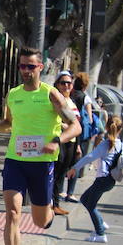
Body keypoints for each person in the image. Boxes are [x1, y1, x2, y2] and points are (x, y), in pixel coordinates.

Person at [0, 47, 81, 245]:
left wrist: (56, 141)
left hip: (42, 165)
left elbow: (76, 127)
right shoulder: (13, 95)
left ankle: (48, 211)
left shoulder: (51, 95)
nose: (26, 71)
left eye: (31, 66)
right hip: (15, 161)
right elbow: (8, 124)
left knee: (40, 221)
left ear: (41, 68)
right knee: (12, 213)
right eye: (22, 66)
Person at [66, 115, 123, 243]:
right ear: (120, 129)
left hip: (102, 179)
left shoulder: (105, 145)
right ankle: (101, 223)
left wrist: (75, 168)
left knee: (87, 201)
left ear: (107, 127)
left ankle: (100, 232)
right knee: (90, 201)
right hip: (111, 180)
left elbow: (89, 157)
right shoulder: (121, 146)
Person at [50, 71, 79, 216]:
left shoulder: (71, 101)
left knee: (62, 174)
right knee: (55, 174)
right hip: (59, 140)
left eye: (69, 83)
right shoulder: (57, 99)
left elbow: (77, 124)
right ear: (57, 85)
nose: (66, 85)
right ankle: (52, 204)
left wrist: (78, 145)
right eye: (63, 83)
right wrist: (63, 126)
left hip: (71, 142)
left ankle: (56, 203)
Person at [63, 72, 91, 203]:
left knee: (62, 164)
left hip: (64, 133)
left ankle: (60, 191)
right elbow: (89, 119)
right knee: (75, 164)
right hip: (77, 135)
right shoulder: (84, 97)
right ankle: (70, 193)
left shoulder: (69, 96)